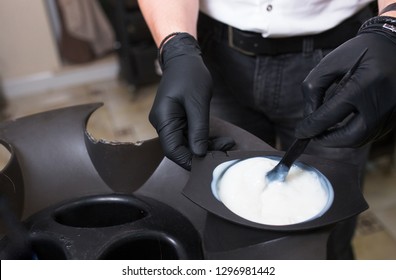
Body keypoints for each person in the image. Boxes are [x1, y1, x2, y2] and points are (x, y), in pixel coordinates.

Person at [137, 0, 396, 259]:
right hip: (210, 56)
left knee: (326, 243)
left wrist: (391, 28)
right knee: (223, 231)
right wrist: (176, 48)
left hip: (340, 59)